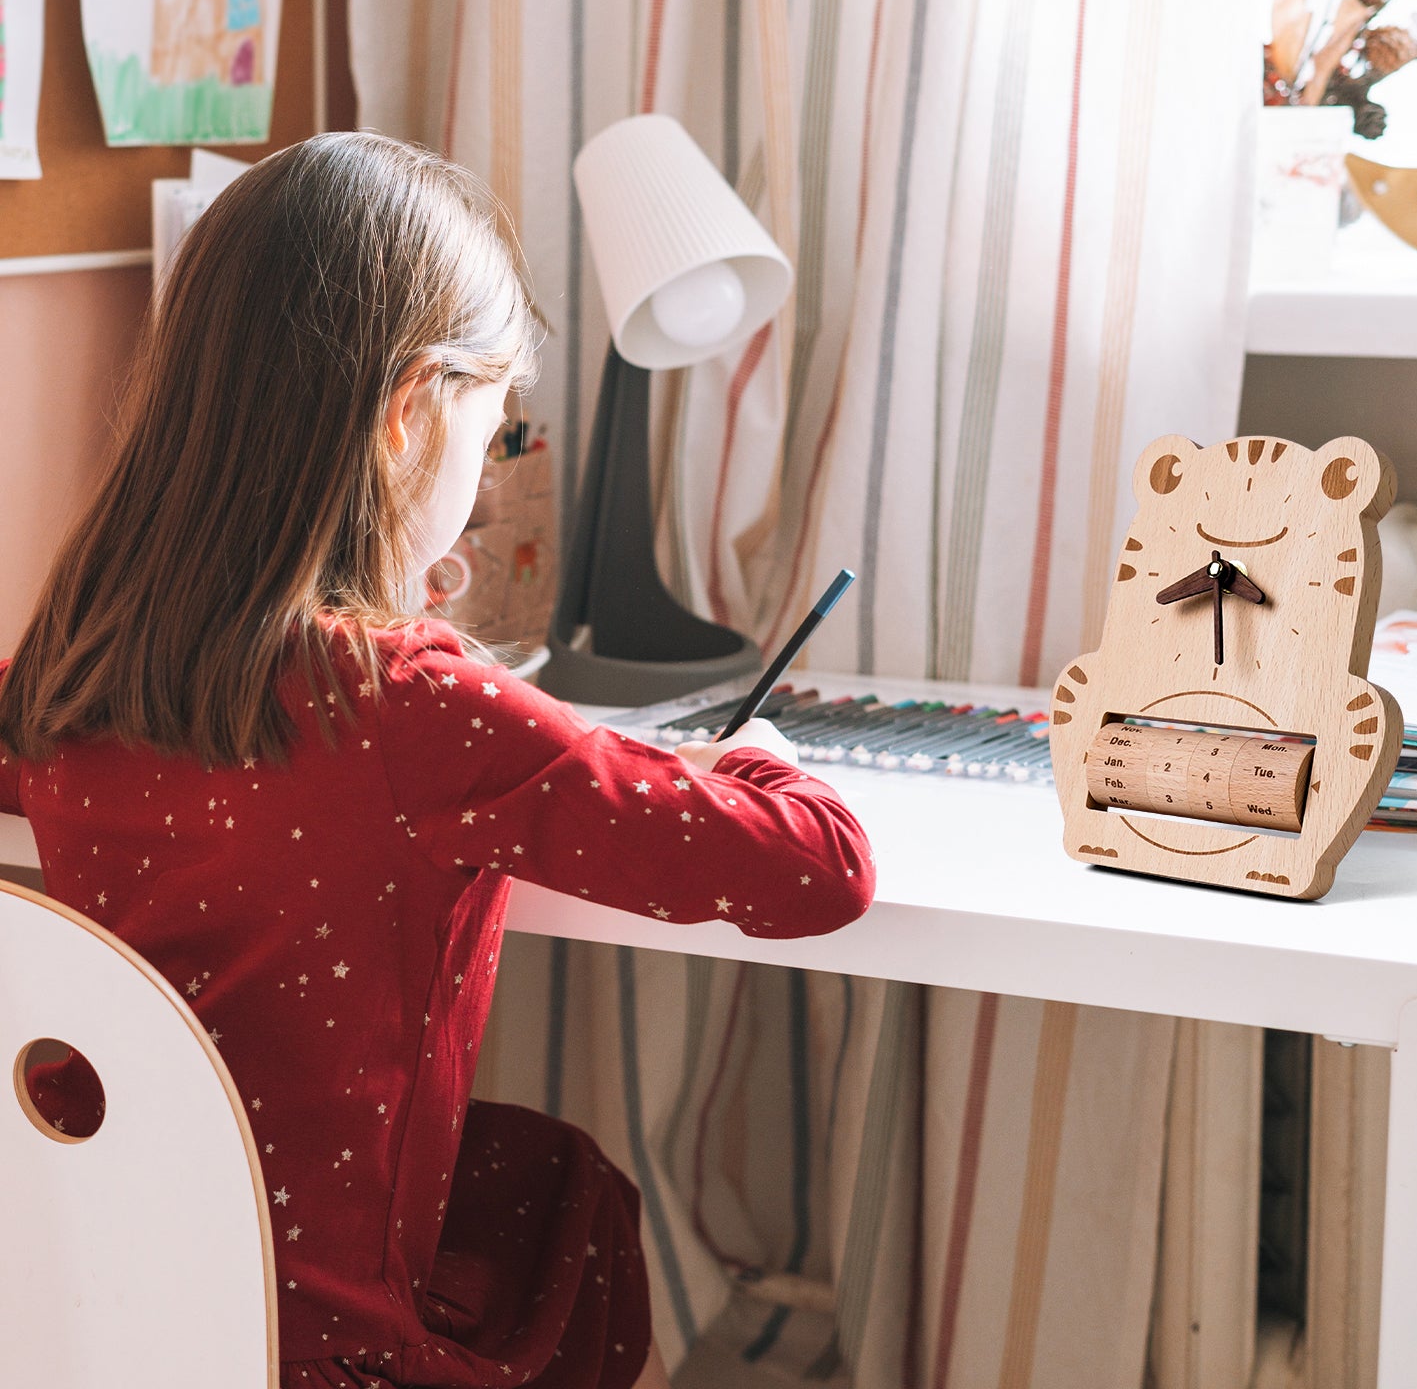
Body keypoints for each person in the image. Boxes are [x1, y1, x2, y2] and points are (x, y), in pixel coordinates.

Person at [0, 134, 874, 1389]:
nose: (487, 459)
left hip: (112, 1305)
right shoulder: (405, 704)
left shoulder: (73, 668)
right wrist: (771, 762)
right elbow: (819, 871)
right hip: (330, 1346)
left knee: (528, 1172)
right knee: (572, 1208)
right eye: (495, 419)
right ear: (410, 415)